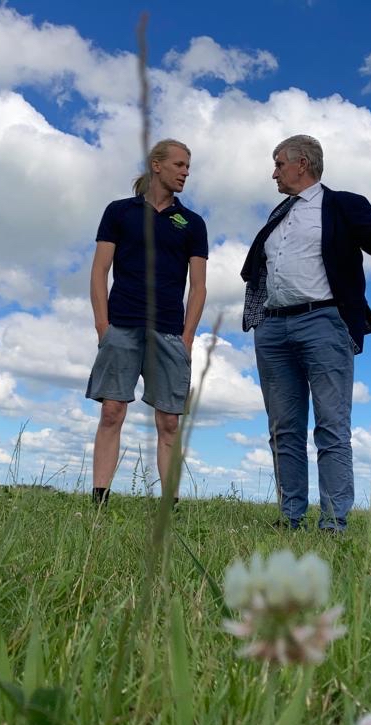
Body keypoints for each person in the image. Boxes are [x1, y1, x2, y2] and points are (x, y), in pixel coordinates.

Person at [240, 134, 371, 532]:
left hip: (322, 322)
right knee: (283, 428)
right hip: (272, 326)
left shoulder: (342, 204)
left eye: (279, 164)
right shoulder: (280, 212)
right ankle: (290, 518)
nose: (274, 173)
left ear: (302, 164)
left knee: (331, 425)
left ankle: (334, 524)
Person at [87, 139, 208, 506]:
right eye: (179, 164)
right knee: (112, 412)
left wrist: (188, 338)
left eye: (188, 166)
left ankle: (169, 505)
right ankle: (99, 501)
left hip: (169, 333)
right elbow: (99, 271)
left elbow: (199, 286)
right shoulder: (119, 212)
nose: (186, 172)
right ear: (157, 165)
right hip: (122, 326)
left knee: (169, 422)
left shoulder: (192, 223)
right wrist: (102, 326)